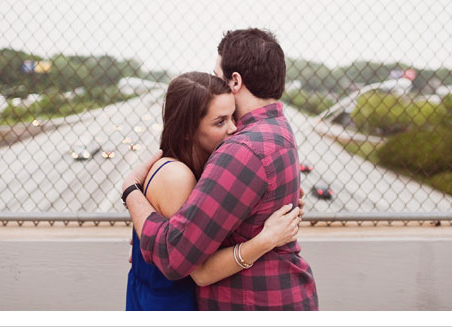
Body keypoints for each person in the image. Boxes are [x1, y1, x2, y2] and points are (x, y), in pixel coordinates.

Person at [122, 29, 319, 310]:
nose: (230, 127)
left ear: (235, 80)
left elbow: (174, 255)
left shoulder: (243, 149)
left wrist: (130, 190)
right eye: (219, 121)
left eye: (217, 75)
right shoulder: (278, 129)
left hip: (252, 303)